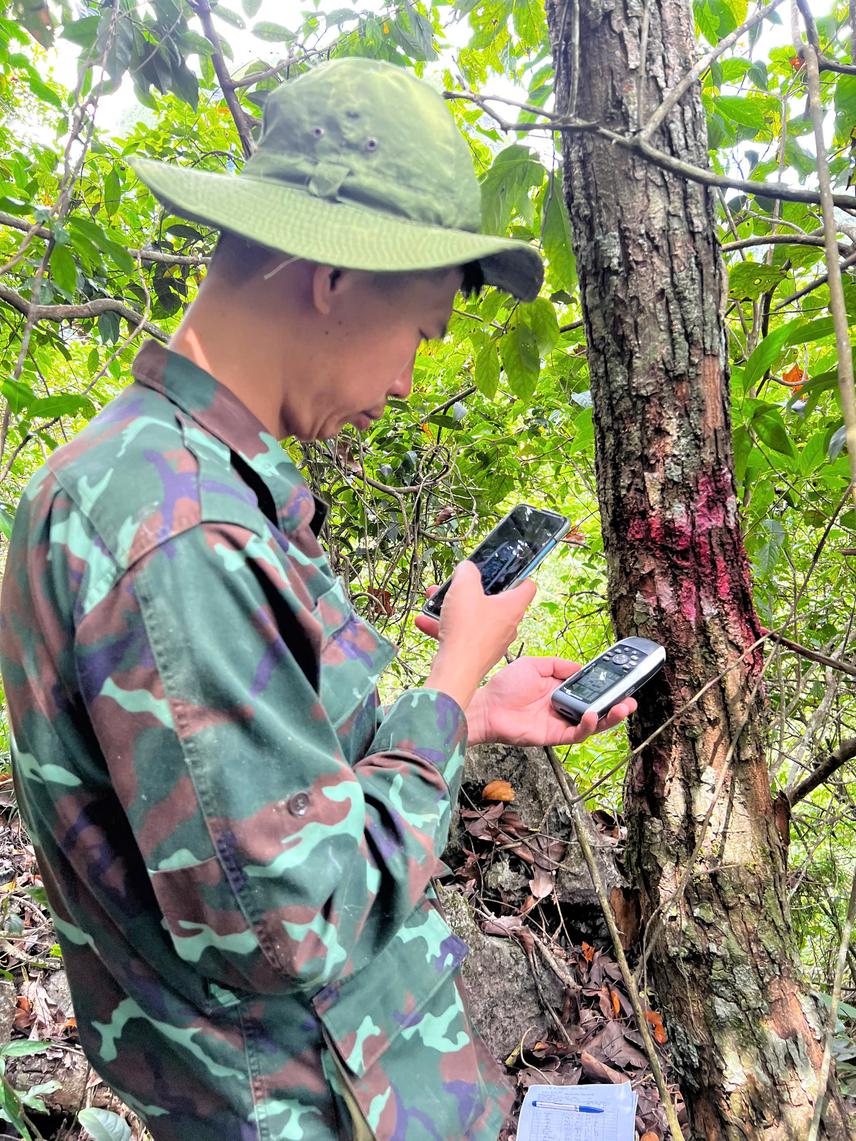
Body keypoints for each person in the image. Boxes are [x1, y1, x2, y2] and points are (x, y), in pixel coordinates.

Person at [0, 58, 635, 1140]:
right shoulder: (182, 534)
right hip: (314, 1104)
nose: (407, 381)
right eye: (422, 332)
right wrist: (450, 679)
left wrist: (470, 716)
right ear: (333, 281)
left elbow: (267, 793)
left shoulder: (150, 475)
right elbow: (300, 921)